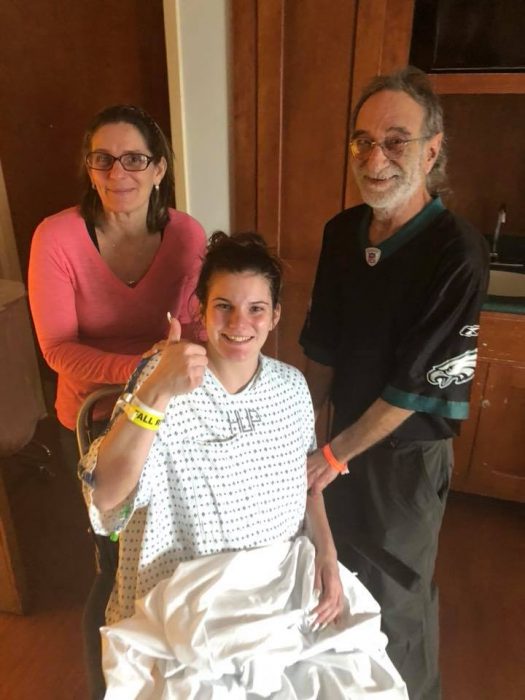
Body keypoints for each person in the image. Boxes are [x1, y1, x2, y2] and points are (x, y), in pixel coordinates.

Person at [79, 232, 408, 698]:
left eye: (256, 308)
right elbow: (107, 499)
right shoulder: (161, 379)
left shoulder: (291, 388)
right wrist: (154, 392)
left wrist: (329, 557)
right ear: (200, 310)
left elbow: (306, 484)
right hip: (187, 593)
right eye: (223, 306)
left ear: (275, 316)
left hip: (283, 581)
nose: (239, 323)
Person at [299, 67, 489, 700]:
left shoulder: (455, 252)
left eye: (395, 140)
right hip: (336, 450)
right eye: (361, 141)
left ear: (432, 149)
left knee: (396, 604)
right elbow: (322, 349)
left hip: (404, 461)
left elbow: (416, 388)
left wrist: (330, 455)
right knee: (334, 585)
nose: (373, 158)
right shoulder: (340, 234)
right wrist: (301, 435)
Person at [27, 104, 206, 699]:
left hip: (168, 421)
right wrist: (147, 372)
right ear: (89, 166)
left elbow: (193, 330)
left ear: (159, 169)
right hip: (93, 423)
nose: (117, 172)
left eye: (134, 158)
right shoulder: (56, 237)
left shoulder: (186, 235)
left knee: (171, 555)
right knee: (111, 567)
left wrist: (169, 376)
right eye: (103, 158)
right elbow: (56, 348)